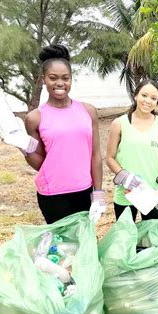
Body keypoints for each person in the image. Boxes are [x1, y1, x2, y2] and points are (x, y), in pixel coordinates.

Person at [24, 44, 104, 224]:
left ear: (71, 79)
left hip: (84, 190)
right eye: (53, 78)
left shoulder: (88, 111)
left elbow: (96, 155)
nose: (60, 83)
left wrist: (98, 192)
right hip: (53, 194)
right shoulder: (35, 118)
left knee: (84, 243)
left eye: (65, 78)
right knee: (60, 248)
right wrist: (22, 146)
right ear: (43, 78)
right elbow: (40, 162)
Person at [106, 79, 158, 222]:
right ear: (136, 95)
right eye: (144, 95)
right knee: (126, 238)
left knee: (151, 238)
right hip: (126, 193)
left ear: (157, 102)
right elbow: (110, 158)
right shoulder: (119, 123)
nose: (148, 101)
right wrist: (125, 177)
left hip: (152, 194)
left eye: (154, 98)